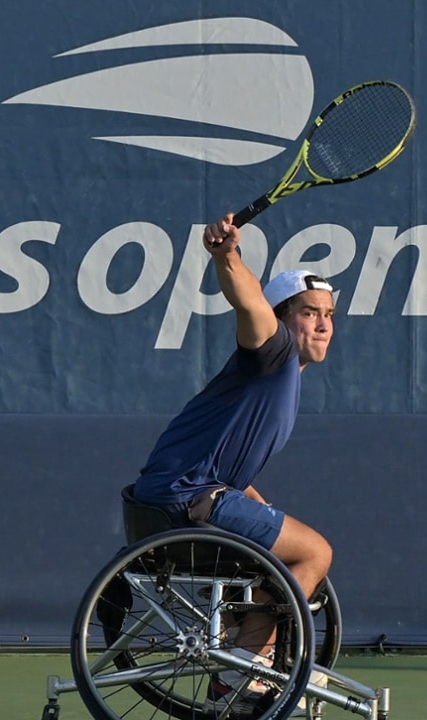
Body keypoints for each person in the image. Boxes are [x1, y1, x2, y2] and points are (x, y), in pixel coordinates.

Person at [130, 213, 334, 712]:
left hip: (178, 498)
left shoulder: (281, 377)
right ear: (284, 317)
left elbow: (231, 479)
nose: (323, 323)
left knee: (290, 546)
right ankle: (238, 673)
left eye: (329, 313)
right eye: (309, 312)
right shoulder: (274, 350)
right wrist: (226, 256)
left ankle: (249, 650)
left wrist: (264, 511)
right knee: (313, 554)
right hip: (187, 501)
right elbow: (250, 305)